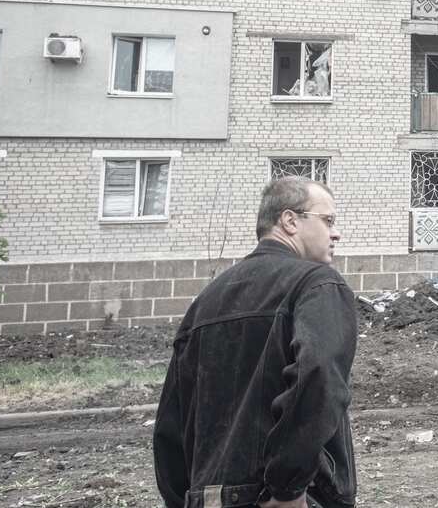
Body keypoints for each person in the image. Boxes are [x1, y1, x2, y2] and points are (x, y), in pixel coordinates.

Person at [153, 176, 358, 508]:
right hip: (289, 500)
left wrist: (183, 499)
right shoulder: (316, 285)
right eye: (328, 220)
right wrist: (288, 489)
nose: (336, 233)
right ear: (290, 220)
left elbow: (172, 423)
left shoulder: (205, 301)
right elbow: (318, 377)